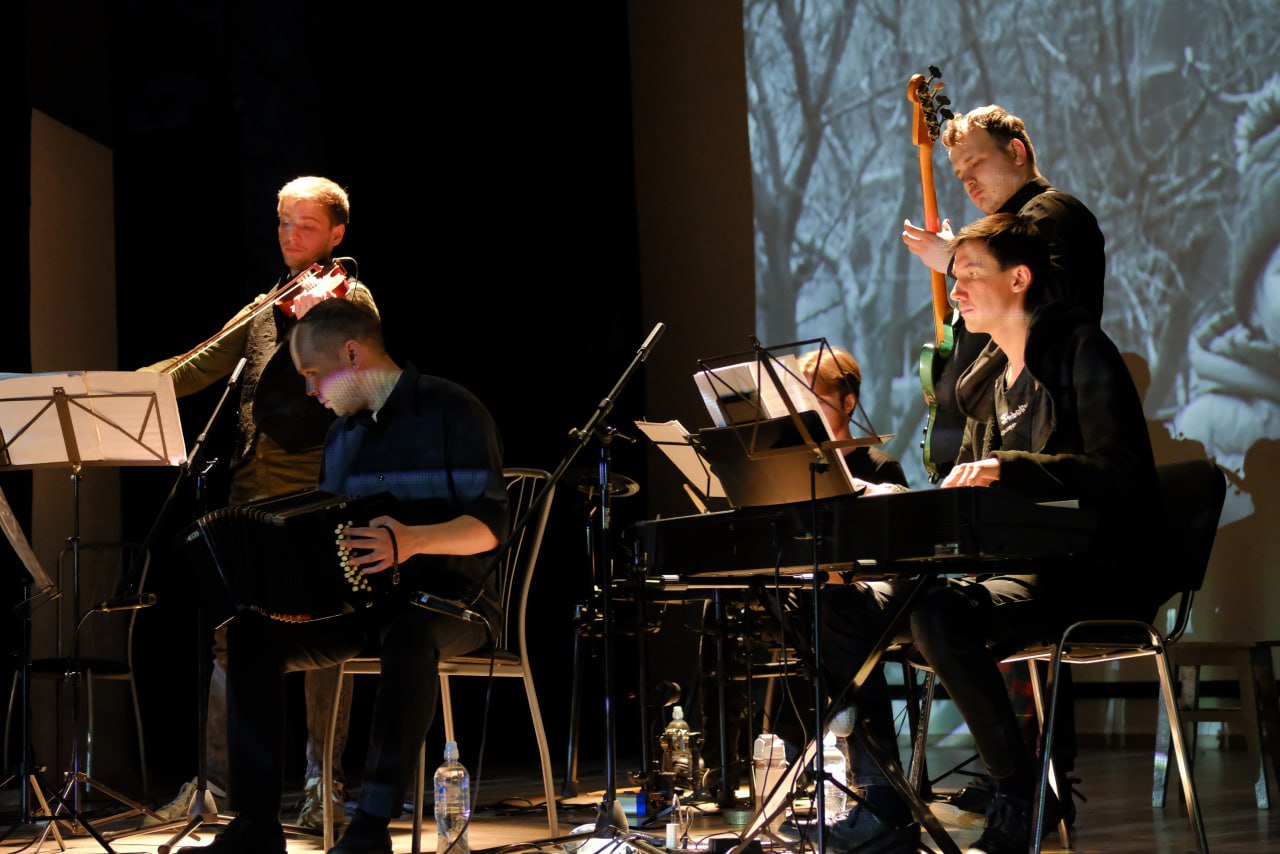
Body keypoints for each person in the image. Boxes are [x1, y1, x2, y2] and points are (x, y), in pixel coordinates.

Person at [822, 214, 1162, 854]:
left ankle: (1019, 791)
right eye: (954, 276)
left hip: (1090, 571)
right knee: (840, 607)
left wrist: (1010, 468)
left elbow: (1121, 473)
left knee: (941, 616)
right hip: (1007, 567)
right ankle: (883, 795)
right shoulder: (983, 386)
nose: (956, 289)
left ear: (1020, 277)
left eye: (971, 272)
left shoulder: (1082, 350)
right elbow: (973, 500)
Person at [181, 297, 508, 853]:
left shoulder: (452, 408)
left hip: (451, 602)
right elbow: (331, 538)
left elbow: (489, 525)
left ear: (352, 354)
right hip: (365, 606)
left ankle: (370, 828)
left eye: (313, 373)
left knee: (410, 635)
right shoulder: (342, 437)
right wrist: (286, 590)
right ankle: (256, 827)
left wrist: (411, 540)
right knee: (250, 635)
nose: (310, 391)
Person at [144, 176, 376, 828]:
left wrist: (326, 322)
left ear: (336, 235)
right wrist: (117, 387)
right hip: (251, 489)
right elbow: (197, 364)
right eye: (282, 224)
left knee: (321, 640)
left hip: (322, 490)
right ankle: (216, 787)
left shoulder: (349, 297)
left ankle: (320, 785)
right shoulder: (264, 304)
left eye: (305, 227)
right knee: (234, 637)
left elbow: (363, 369)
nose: (290, 238)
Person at [901, 104, 1106, 476]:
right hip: (994, 432)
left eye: (975, 163)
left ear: (1016, 151)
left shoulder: (1050, 211)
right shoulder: (1010, 231)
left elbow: (1046, 306)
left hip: (1041, 432)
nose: (968, 181)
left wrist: (951, 259)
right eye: (961, 174)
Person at [797, 347, 909, 488]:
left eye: (818, 401)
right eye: (802, 401)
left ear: (848, 403)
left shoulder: (883, 469)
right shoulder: (793, 469)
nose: (806, 410)